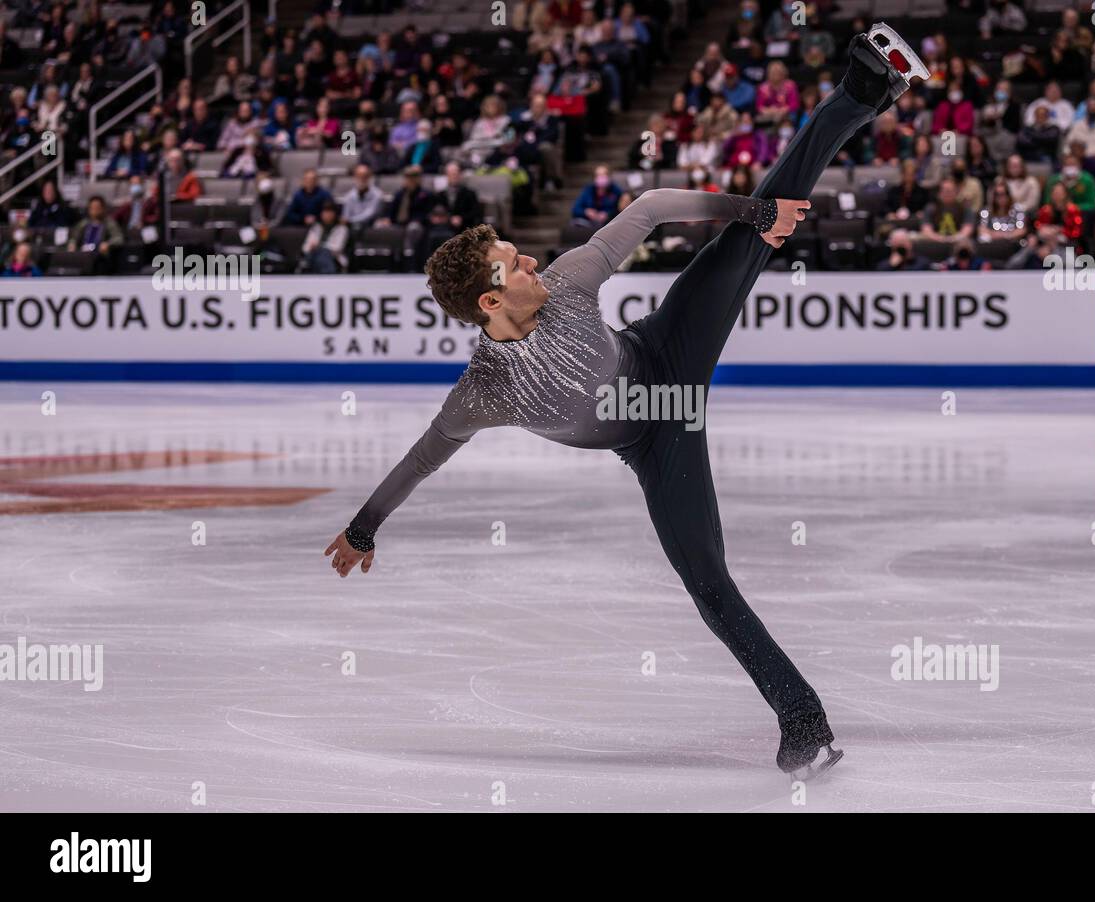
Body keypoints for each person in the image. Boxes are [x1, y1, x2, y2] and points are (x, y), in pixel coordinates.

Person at [325, 26, 928, 779]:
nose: (532, 258)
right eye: (514, 262)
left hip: (668, 344)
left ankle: (864, 88)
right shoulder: (486, 391)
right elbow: (422, 458)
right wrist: (363, 528)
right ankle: (803, 718)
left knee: (752, 232)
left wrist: (749, 212)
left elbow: (649, 208)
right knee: (705, 580)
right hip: (657, 436)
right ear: (490, 299)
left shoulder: (572, 280)